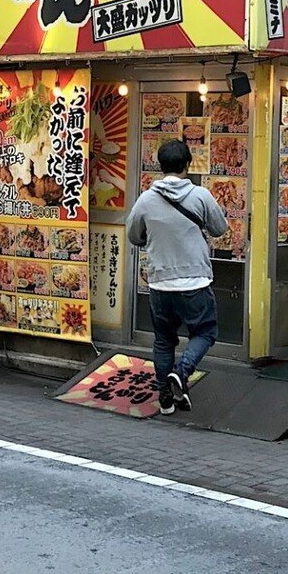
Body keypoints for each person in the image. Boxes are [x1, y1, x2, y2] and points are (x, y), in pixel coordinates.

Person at [127, 139, 228, 416]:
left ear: (161, 166)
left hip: (159, 283)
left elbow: (134, 235)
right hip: (195, 281)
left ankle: (165, 398)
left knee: (163, 340)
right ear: (187, 164)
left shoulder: (146, 199)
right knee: (205, 332)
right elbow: (220, 228)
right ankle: (181, 372)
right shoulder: (200, 196)